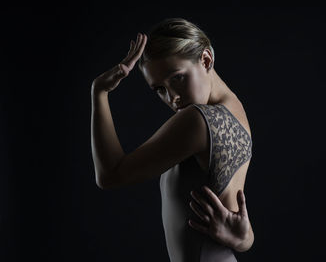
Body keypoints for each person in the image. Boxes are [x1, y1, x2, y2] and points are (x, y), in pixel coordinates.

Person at [91, 17, 254, 261]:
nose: (173, 98)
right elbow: (240, 233)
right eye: (160, 89)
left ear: (206, 60)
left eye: (177, 77)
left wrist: (99, 92)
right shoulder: (236, 111)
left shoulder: (197, 119)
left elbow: (110, 175)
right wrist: (244, 239)